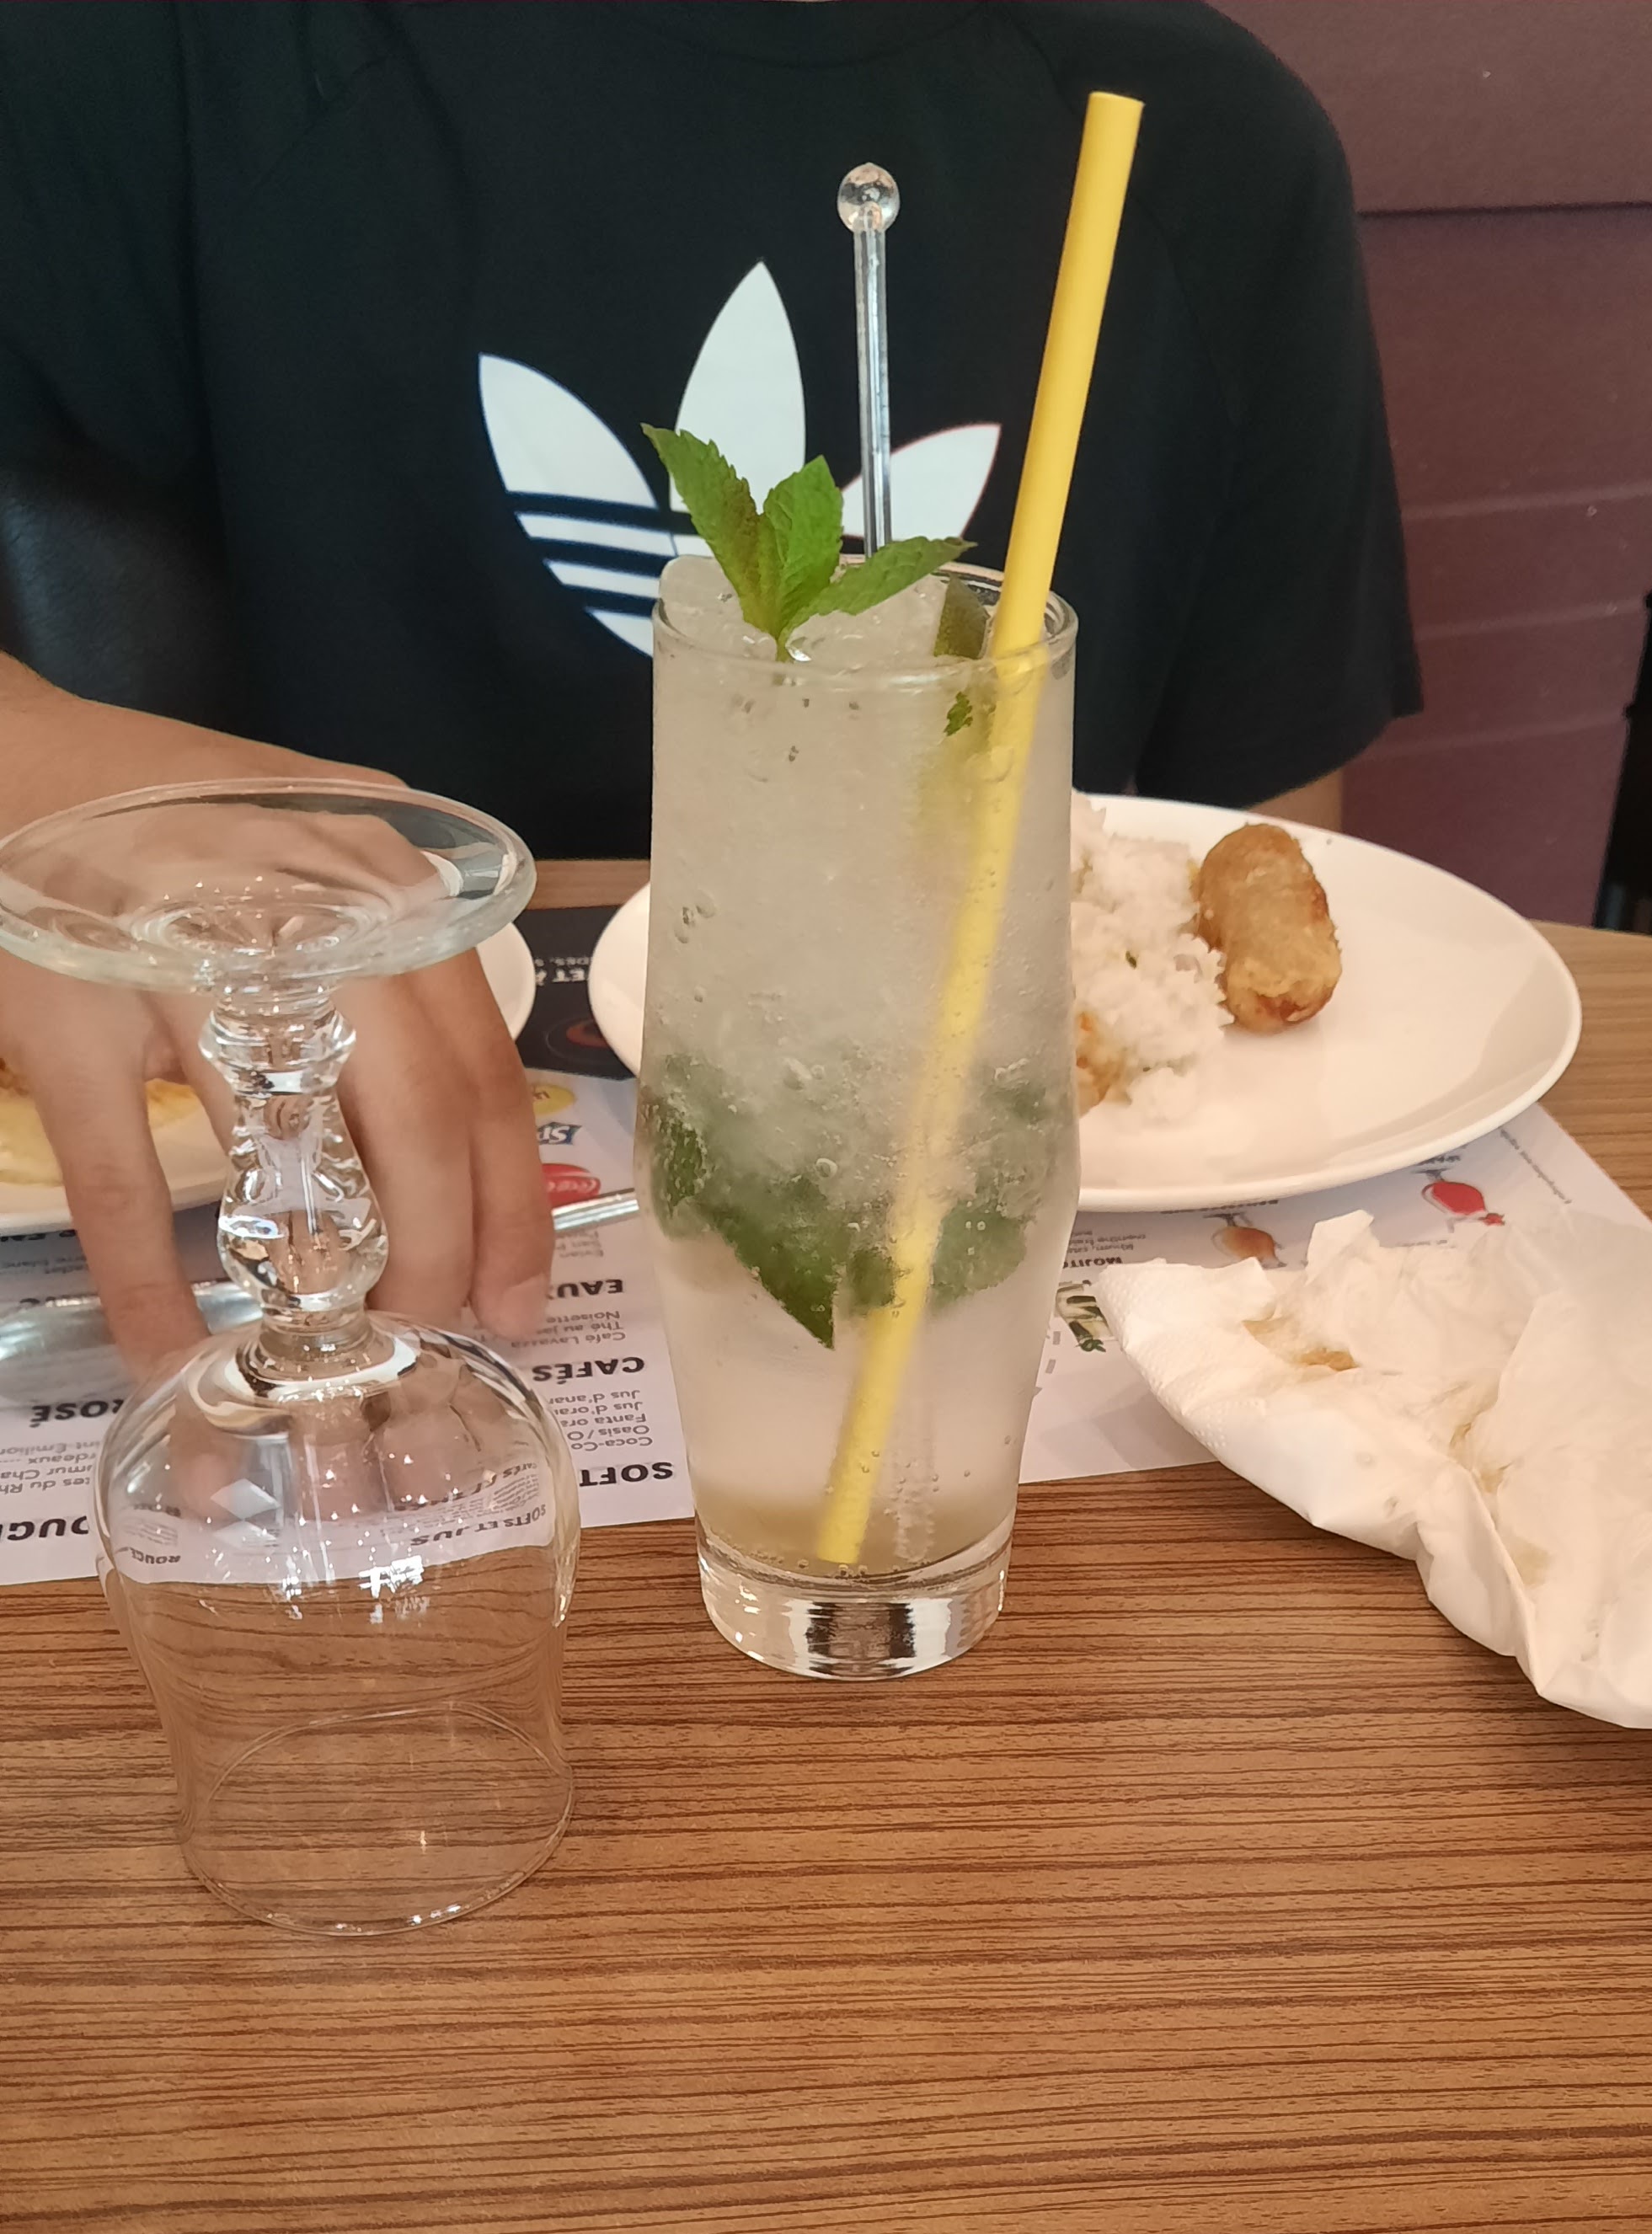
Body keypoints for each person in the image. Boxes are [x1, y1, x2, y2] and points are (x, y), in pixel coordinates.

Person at [0, 1, 1418, 1369]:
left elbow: (1263, 905)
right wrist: (51, 783)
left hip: (1002, 1250)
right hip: (317, 1178)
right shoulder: (149, 53)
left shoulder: (1204, 139)